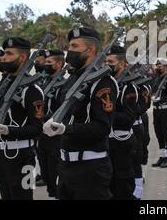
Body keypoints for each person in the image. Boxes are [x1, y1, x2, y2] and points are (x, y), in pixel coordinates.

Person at [43, 27, 117, 200]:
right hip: (66, 165)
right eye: (69, 46)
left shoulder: (103, 81)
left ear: (90, 50)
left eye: (75, 46)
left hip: (91, 169)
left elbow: (102, 128)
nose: (70, 51)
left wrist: (66, 130)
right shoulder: (72, 79)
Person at [0, 37, 44, 200]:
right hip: (2, 154)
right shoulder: (5, 85)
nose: (4, 57)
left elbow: (37, 129)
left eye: (9, 53)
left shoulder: (32, 90)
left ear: (22, 57)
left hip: (24, 156)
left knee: (24, 196)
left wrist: (8, 130)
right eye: (4, 53)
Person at [105, 45, 142, 200]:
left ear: (121, 64)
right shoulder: (106, 85)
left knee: (122, 187)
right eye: (105, 61)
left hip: (121, 143)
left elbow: (128, 118)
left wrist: (106, 113)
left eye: (110, 62)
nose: (106, 65)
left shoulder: (128, 88)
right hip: (106, 142)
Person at [37, 49, 66, 199]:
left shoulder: (65, 85)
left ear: (60, 64)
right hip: (41, 135)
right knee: (45, 173)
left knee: (55, 172)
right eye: (45, 62)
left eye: (49, 62)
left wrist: (45, 116)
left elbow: (63, 109)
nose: (45, 65)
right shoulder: (43, 82)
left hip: (55, 136)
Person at [151, 59, 167, 168]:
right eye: (157, 65)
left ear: (165, 66)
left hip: (165, 110)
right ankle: (162, 156)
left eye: (160, 65)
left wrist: (162, 99)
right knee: (159, 134)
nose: (158, 67)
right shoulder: (156, 78)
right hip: (156, 109)